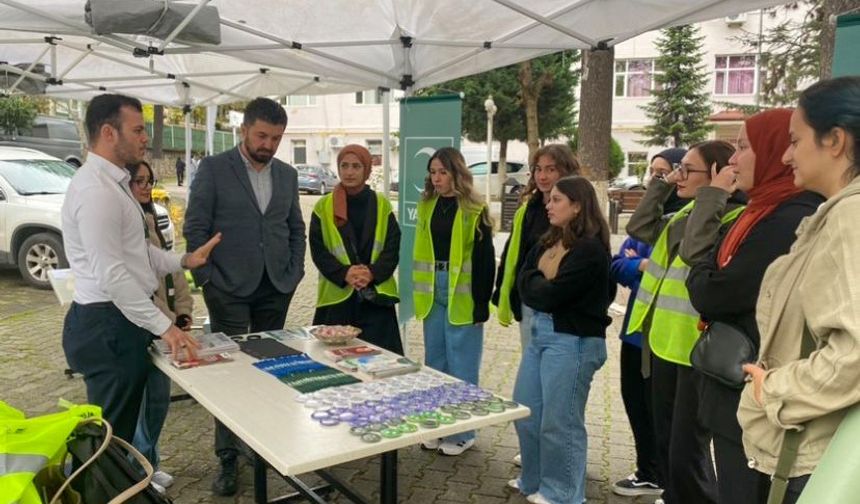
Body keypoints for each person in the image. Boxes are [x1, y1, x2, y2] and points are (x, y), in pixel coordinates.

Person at [61, 93, 219, 446]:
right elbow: (112, 275)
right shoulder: (96, 191)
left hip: (117, 321)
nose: (145, 138)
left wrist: (183, 261)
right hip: (108, 323)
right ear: (108, 132)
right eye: (137, 130)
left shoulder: (113, 184)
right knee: (110, 441)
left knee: (120, 434)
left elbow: (138, 254)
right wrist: (167, 328)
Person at [684, 109, 823, 504]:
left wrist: (704, 273)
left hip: (751, 388)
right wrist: (706, 271)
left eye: (744, 147)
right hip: (731, 382)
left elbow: (715, 290)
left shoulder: (789, 218)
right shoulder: (757, 209)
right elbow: (705, 263)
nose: (732, 159)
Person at [738, 76, 860, 503]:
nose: (787, 154)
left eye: (796, 139)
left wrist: (773, 387)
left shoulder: (851, 218)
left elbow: (856, 354)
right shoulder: (837, 214)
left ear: (835, 140)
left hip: (812, 460)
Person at [183, 97, 306, 496]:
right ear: (243, 130)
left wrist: (294, 270)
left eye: (275, 138)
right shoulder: (214, 169)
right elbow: (195, 227)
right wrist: (207, 280)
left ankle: (262, 445)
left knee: (270, 369)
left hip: (275, 286)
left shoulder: (287, 175)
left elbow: (295, 228)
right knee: (230, 374)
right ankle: (228, 459)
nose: (268, 144)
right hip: (228, 288)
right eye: (261, 135)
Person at [626, 140, 746, 504]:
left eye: (686, 170)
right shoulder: (685, 212)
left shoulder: (730, 217)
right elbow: (639, 225)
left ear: (716, 173)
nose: (678, 176)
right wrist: (662, 184)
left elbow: (695, 251)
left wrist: (713, 194)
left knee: (687, 452)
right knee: (668, 444)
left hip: (697, 349)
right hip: (665, 342)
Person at [509, 175, 615, 504]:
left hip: (573, 341)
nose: (548, 204)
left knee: (561, 422)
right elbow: (523, 279)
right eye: (549, 198)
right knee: (527, 411)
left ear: (578, 206)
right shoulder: (547, 240)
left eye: (556, 199)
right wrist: (537, 285)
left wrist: (536, 286)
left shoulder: (590, 250)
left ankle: (564, 493)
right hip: (541, 335)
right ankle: (534, 479)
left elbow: (552, 295)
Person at [610, 148, 688, 498]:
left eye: (663, 173)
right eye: (652, 173)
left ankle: (663, 476)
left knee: (662, 412)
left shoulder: (685, 220)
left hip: (663, 334)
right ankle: (648, 470)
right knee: (635, 402)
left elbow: (668, 272)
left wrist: (640, 263)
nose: (654, 179)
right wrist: (639, 265)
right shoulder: (650, 218)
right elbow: (616, 264)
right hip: (635, 328)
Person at [413, 147, 495, 456]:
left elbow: (487, 261)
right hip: (432, 292)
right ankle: (435, 424)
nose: (436, 178)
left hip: (463, 293)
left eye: (442, 172)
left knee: (462, 364)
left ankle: (463, 433)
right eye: (433, 172)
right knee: (435, 363)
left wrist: (481, 303)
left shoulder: (476, 209)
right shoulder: (426, 206)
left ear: (456, 173)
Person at [126, 160, 196, 493]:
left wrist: (183, 311)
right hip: (140, 325)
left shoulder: (153, 216)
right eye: (137, 180)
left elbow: (172, 270)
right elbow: (133, 286)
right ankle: (137, 472)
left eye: (148, 180)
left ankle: (149, 464)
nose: (144, 186)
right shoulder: (123, 221)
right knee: (141, 404)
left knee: (158, 400)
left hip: (163, 325)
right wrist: (167, 322)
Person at [309, 144, 402, 354]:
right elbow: (318, 250)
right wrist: (345, 273)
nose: (349, 172)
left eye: (356, 166)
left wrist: (371, 273)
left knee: (380, 360)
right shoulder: (323, 206)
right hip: (337, 299)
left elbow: (392, 247)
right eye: (344, 165)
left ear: (367, 170)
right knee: (333, 364)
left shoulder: (382, 204)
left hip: (375, 299)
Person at [493, 143, 581, 346]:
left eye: (551, 169)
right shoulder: (527, 209)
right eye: (538, 169)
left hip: (558, 308)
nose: (542, 176)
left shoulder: (576, 213)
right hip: (527, 301)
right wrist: (503, 291)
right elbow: (512, 254)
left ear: (566, 171)